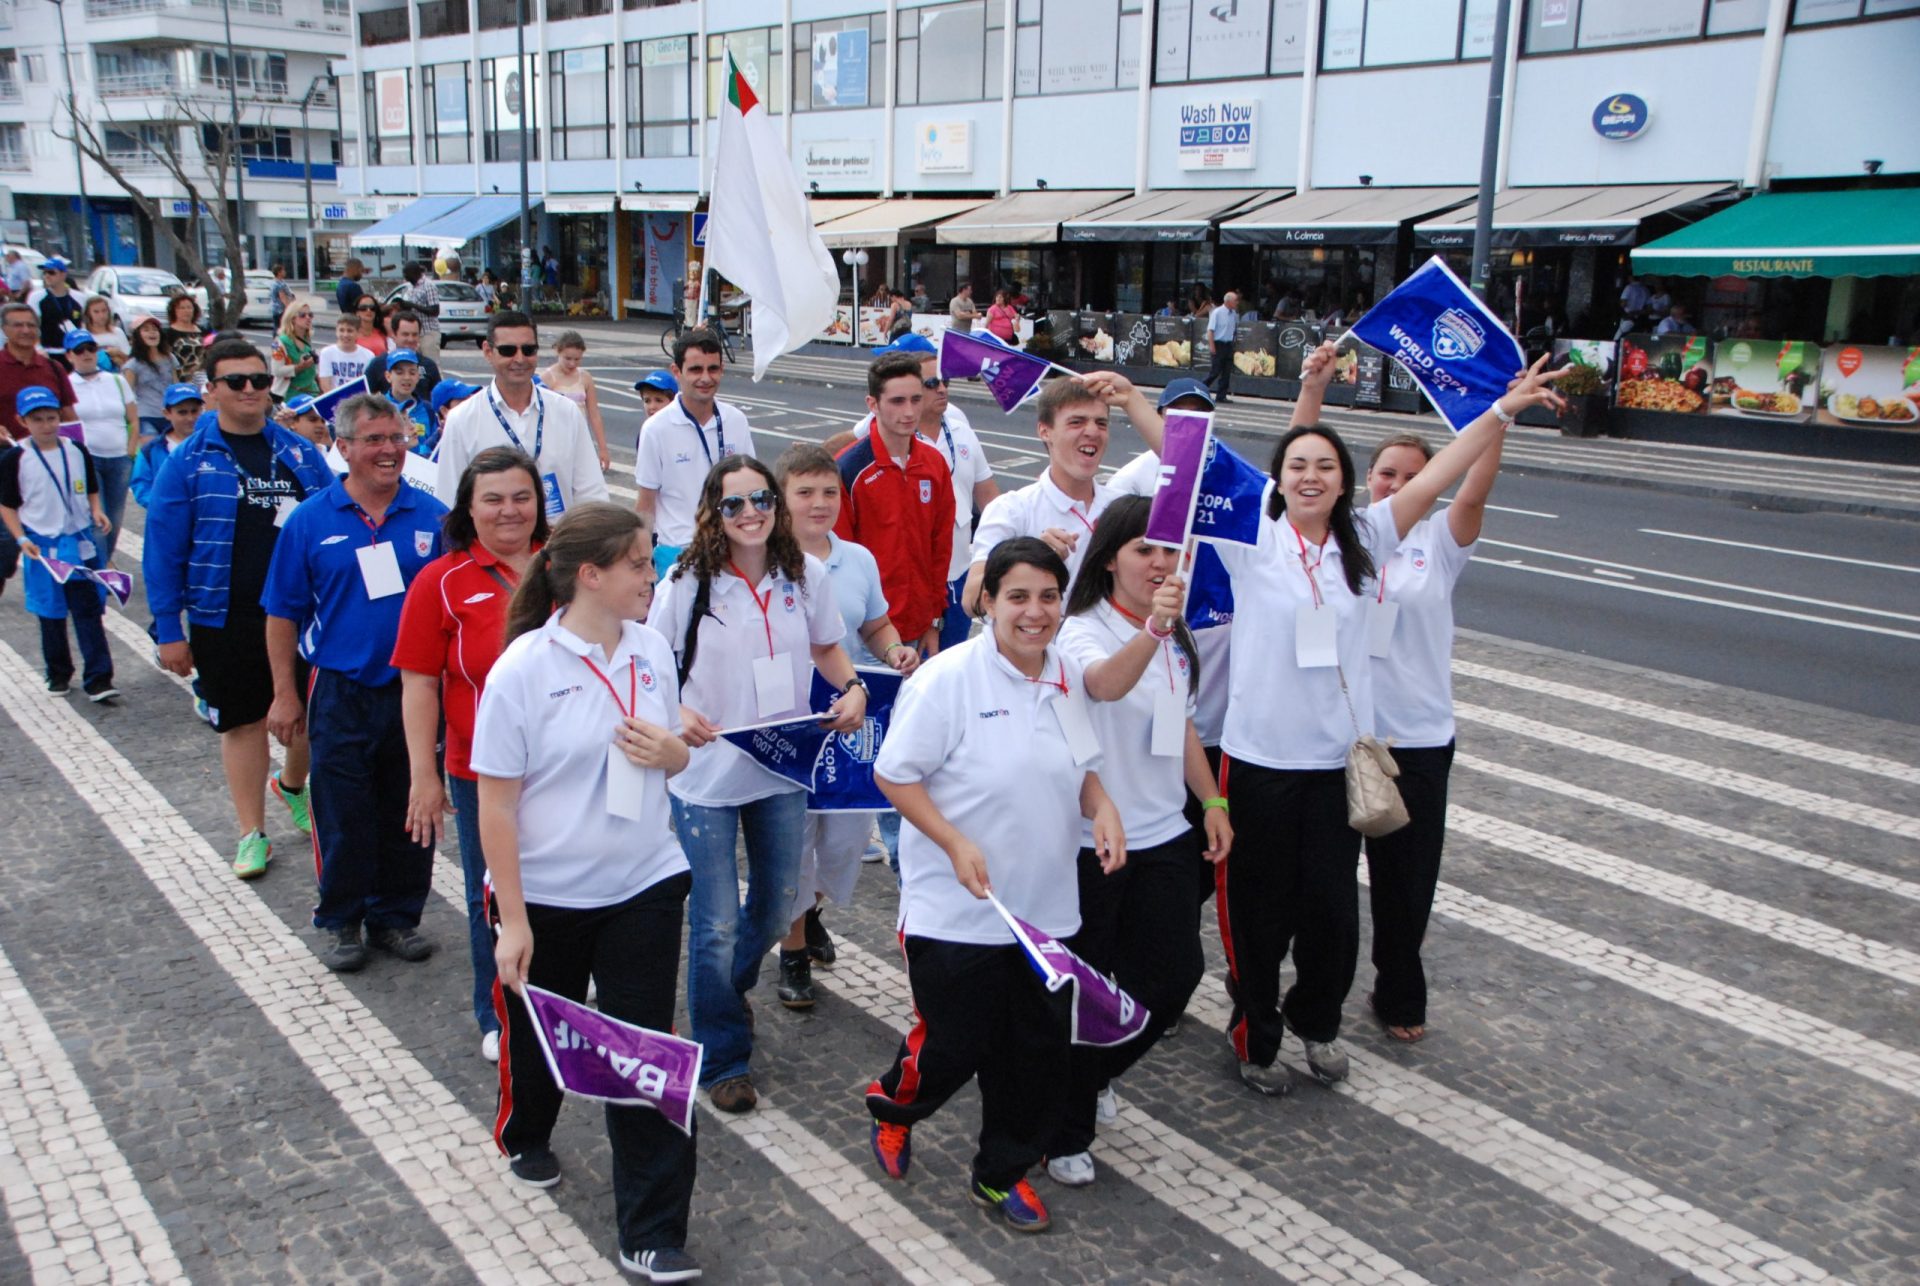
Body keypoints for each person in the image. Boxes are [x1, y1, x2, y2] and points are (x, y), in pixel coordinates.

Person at [1210, 342, 1565, 1094]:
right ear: (1280, 480)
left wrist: (1502, 408)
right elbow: (1185, 454)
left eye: (1327, 468)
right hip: (1258, 764)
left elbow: (1445, 475)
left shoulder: (1370, 538)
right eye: (1298, 467)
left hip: (1338, 766)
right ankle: (1255, 1034)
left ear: (1347, 486)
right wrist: (1139, 406)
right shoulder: (1255, 539)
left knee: (1334, 918)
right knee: (1257, 913)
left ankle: (1319, 1023)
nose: (1311, 476)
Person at [864, 537, 1124, 1234]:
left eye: (1048, 597)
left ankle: (999, 1173)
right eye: (1018, 596)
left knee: (1034, 1054)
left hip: (1043, 913)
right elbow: (894, 773)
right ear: (986, 601)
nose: (1034, 612)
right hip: (957, 908)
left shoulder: (1065, 673)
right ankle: (894, 1108)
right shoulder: (948, 680)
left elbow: (1082, 767)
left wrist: (1101, 810)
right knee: (955, 1042)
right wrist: (952, 841)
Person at [473, 503, 701, 1281]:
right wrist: (512, 919)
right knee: (540, 1043)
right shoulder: (522, 671)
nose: (653, 576)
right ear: (591, 575)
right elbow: (496, 805)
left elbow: (670, 758)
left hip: (644, 882)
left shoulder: (651, 649)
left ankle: (651, 1229)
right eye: (640, 563)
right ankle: (526, 1131)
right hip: (548, 894)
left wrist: (674, 753)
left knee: (643, 1053)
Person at [646, 454, 867, 1113]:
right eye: (735, 503)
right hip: (706, 775)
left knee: (778, 902)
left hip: (781, 765)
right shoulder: (687, 581)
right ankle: (723, 1055)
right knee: (713, 923)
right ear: (714, 510)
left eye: (761, 500)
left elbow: (828, 645)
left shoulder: (808, 573)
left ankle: (719, 991)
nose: (751, 514)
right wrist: (677, 711)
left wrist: (852, 685)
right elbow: (652, 661)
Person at [262, 393, 448, 971]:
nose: (388, 450)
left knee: (412, 806)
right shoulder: (310, 520)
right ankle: (342, 918)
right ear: (342, 448)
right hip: (339, 689)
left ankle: (396, 917)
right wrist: (285, 692)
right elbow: (281, 612)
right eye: (373, 440)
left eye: (396, 438)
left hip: (415, 692)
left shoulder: (432, 516)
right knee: (343, 809)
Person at [144, 337, 333, 878]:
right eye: (236, 382)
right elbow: (163, 549)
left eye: (259, 380)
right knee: (244, 723)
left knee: (309, 716)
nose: (251, 390)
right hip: (223, 614)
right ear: (211, 391)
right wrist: (167, 628)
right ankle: (252, 832)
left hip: (303, 612)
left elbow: (332, 516)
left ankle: (293, 785)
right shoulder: (188, 462)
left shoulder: (299, 452)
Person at [393, 446, 549, 1064]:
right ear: (468, 508)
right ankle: (498, 1009)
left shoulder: (567, 565)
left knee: (563, 880)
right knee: (495, 891)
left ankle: (557, 977)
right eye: (493, 499)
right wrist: (422, 775)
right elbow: (419, 682)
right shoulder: (443, 579)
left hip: (565, 766)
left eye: (521, 496)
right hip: (481, 772)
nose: (509, 511)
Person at [769, 444, 920, 1009]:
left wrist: (895, 648)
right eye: (805, 492)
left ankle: (810, 912)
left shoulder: (857, 559)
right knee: (796, 840)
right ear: (781, 500)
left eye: (830, 491)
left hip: (853, 718)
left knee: (846, 840)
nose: (819, 503)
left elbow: (876, 624)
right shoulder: (767, 560)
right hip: (791, 724)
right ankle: (792, 952)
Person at [961, 373, 1163, 614]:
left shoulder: (1121, 507)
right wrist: (1032, 559)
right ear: (1045, 431)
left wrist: (1131, 397)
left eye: (1101, 423)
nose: (1092, 432)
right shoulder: (1012, 510)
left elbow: (1191, 468)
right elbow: (972, 602)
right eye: (1076, 422)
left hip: (1113, 650)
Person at [833, 351, 955, 658]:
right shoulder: (848, 468)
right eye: (897, 402)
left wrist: (933, 619)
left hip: (918, 628)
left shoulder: (934, 464)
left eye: (916, 399)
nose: (909, 411)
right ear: (873, 405)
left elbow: (940, 549)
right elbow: (838, 559)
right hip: (864, 634)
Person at [0, 387, 119, 700]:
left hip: (78, 540)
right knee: (50, 612)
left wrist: (96, 510)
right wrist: (21, 537)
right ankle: (58, 673)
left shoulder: (76, 449)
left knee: (88, 609)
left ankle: (99, 678)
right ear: (22, 421)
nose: (46, 425)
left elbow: (91, 487)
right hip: (42, 545)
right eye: (37, 419)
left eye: (51, 418)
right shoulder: (16, 457)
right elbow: (7, 504)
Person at [437, 311, 607, 519]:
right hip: (492, 547)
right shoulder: (462, 419)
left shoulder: (567, 412)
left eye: (528, 350)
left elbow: (591, 494)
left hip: (556, 546)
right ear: (488, 352)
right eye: (508, 350)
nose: (519, 359)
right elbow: (450, 502)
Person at [634, 329, 755, 577]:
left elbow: (751, 488)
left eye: (713, 369)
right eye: (696, 370)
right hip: (677, 553)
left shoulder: (736, 421)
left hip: (731, 549)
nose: (706, 378)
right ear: (676, 372)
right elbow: (646, 505)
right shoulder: (655, 429)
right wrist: (641, 561)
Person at [63, 330, 138, 560]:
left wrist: (130, 449)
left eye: (90, 348)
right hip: (89, 457)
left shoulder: (116, 380)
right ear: (69, 355)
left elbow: (133, 417)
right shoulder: (67, 384)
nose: (86, 354)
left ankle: (105, 561)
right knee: (97, 516)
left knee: (115, 518)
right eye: (79, 350)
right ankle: (100, 569)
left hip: (119, 456)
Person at [1, 301, 77, 443]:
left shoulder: (54, 368)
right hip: (6, 453)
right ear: (4, 329)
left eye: (31, 325)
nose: (26, 330)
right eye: (18, 325)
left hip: (49, 452)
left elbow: (69, 415)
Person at [542, 331, 612, 471]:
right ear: (557, 351)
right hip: (555, 439)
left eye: (577, 359)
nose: (572, 363)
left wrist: (603, 448)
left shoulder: (585, 377)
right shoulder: (547, 378)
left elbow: (594, 413)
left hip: (579, 436)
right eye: (567, 358)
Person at [131, 383, 203, 508]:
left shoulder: (212, 444)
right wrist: (164, 506)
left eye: (194, 411)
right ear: (167, 413)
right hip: (169, 518)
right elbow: (141, 486)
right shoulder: (151, 450)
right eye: (182, 412)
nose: (190, 418)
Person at [365, 310, 441, 400]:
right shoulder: (378, 364)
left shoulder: (429, 365)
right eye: (405, 334)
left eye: (414, 334)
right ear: (393, 335)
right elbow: (363, 397)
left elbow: (440, 400)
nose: (410, 339)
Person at [126, 315, 177, 439]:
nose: (152, 333)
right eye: (146, 330)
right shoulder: (133, 364)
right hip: (146, 415)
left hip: (169, 414)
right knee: (152, 451)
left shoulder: (170, 358)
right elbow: (128, 394)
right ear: (138, 336)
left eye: (154, 329)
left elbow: (176, 385)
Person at [380, 349, 435, 451]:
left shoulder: (428, 410)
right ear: (388, 376)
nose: (407, 377)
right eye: (399, 373)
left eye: (412, 372)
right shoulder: (377, 408)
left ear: (418, 376)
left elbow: (436, 452)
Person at [32, 257, 87, 354]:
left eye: (51, 272)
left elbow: (84, 324)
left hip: (74, 351)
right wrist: (38, 348)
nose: (47, 276)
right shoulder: (36, 297)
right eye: (44, 273)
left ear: (63, 275)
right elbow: (33, 325)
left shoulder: (79, 297)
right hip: (48, 351)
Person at [271, 302, 321, 403]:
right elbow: (276, 370)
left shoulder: (306, 339)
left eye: (310, 315)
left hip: (311, 392)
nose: (308, 318)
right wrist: (300, 367)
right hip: (289, 394)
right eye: (302, 315)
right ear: (292, 318)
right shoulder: (280, 342)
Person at [316, 314, 371, 393]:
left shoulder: (368, 356)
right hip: (334, 400)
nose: (345, 335)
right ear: (336, 331)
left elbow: (368, 385)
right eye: (341, 330)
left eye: (350, 331)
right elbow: (325, 385)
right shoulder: (326, 353)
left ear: (358, 333)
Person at [163, 294, 206, 387]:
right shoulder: (168, 332)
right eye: (181, 308)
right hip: (180, 378)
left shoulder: (203, 330)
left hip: (202, 378)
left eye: (189, 307)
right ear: (174, 311)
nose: (186, 311)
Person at [1206, 290, 1239, 403]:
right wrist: (1212, 346)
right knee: (1215, 371)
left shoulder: (1234, 314)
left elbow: (1234, 329)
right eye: (1235, 300)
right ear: (1228, 301)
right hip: (1218, 343)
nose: (1237, 303)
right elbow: (1210, 330)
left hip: (1228, 344)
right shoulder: (1217, 312)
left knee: (1226, 371)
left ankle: (1221, 395)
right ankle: (1201, 388)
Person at [403, 263, 442, 359]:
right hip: (415, 333)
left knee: (431, 364)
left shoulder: (429, 286)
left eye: (406, 274)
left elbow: (435, 310)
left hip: (428, 332)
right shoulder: (410, 287)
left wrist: (413, 305)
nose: (405, 277)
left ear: (414, 273)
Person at [81, 296, 130, 372]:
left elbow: (128, 359)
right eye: (96, 312)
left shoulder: (118, 332)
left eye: (104, 311)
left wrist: (118, 353)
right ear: (88, 314)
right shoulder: (83, 335)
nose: (101, 315)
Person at [268, 262, 297, 331]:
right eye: (283, 271)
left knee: (278, 326)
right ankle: (278, 340)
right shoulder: (278, 284)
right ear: (279, 273)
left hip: (277, 309)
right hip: (280, 310)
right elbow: (283, 298)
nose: (285, 272)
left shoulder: (279, 282)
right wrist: (290, 309)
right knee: (281, 328)